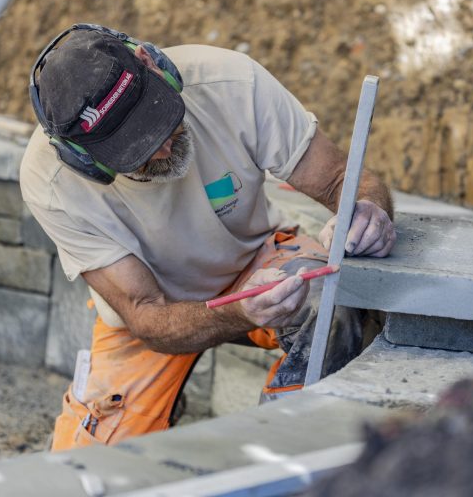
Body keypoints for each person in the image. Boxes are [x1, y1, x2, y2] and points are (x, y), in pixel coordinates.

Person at [20, 24, 396, 451]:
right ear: (83, 159)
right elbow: (145, 313)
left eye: (159, 119)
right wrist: (238, 313)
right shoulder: (50, 182)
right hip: (150, 310)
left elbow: (340, 179)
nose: (161, 148)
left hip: (255, 260)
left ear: (154, 66)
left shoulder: (230, 82)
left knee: (329, 301)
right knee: (85, 475)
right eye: (134, 150)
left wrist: (370, 210)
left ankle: (284, 460)